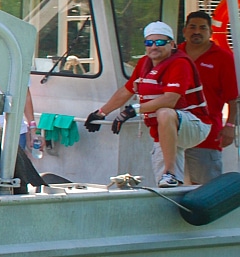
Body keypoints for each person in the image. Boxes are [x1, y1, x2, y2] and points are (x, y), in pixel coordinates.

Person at [85, 21, 212, 188]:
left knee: (164, 112)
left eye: (160, 42)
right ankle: (171, 183)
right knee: (166, 186)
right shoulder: (145, 63)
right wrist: (101, 112)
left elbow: (170, 100)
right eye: (149, 43)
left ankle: (170, 172)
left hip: (194, 125)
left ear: (172, 44)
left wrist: (133, 110)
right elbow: (127, 90)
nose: (154, 47)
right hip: (165, 130)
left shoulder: (180, 63)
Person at [179, 10, 239, 184]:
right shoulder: (174, 55)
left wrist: (230, 125)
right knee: (171, 191)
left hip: (207, 135)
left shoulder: (223, 58)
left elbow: (233, 97)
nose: (197, 31)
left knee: (205, 189)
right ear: (184, 31)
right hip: (173, 135)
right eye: (192, 27)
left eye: (202, 28)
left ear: (210, 32)